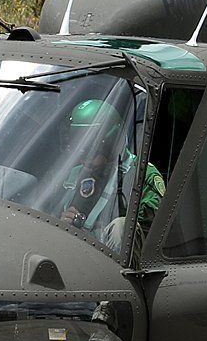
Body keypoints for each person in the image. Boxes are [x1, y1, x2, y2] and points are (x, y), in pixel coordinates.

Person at [58, 97, 164, 251]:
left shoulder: (142, 175)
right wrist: (62, 222)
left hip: (111, 261)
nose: (83, 161)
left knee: (120, 227)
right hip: (69, 252)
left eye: (89, 150)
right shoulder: (74, 175)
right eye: (78, 149)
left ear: (111, 142)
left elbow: (154, 235)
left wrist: (91, 236)